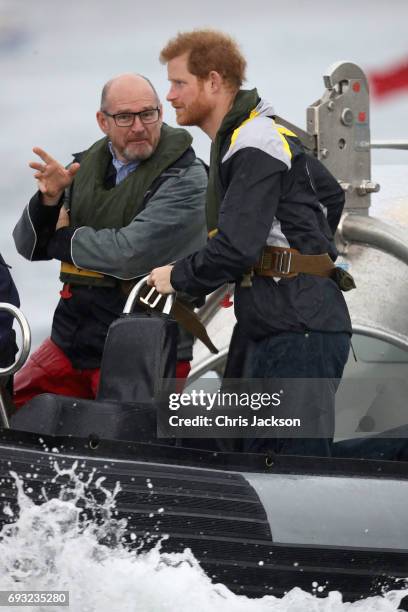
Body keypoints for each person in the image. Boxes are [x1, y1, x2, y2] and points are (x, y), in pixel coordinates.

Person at [148, 30, 352, 456]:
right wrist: (301, 252)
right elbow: (330, 195)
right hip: (268, 322)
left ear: (214, 81)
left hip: (299, 327)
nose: (169, 96)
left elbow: (237, 247)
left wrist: (176, 276)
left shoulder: (255, 140)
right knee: (241, 450)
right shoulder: (259, 134)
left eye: (179, 83)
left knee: (291, 465)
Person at [13, 73, 207, 408]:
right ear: (103, 121)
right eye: (124, 117)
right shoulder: (80, 168)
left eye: (148, 114)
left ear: (161, 112)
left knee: (122, 439)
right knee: (14, 407)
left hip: (144, 342)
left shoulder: (187, 179)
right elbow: (28, 246)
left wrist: (59, 237)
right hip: (71, 337)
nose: (138, 126)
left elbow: (128, 253)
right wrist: (49, 200)